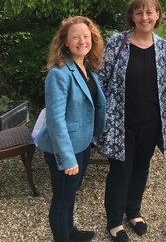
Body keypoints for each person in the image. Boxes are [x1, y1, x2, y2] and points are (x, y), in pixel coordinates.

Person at [98, 0, 166, 242]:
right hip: (121, 122)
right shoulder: (118, 42)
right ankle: (114, 221)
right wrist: (99, 121)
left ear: (158, 15)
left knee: (141, 168)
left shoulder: (162, 47)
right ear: (131, 16)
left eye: (150, 12)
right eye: (139, 12)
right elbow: (101, 80)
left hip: (151, 122)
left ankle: (134, 211)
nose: (144, 17)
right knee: (120, 171)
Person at [36, 16, 106, 242]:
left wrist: (94, 135)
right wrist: (66, 158)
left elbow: (90, 107)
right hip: (66, 148)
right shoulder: (59, 73)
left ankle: (69, 231)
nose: (82, 41)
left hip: (83, 143)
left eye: (86, 36)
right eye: (75, 37)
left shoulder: (86, 67)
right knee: (61, 200)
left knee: (70, 193)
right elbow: (55, 120)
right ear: (65, 41)